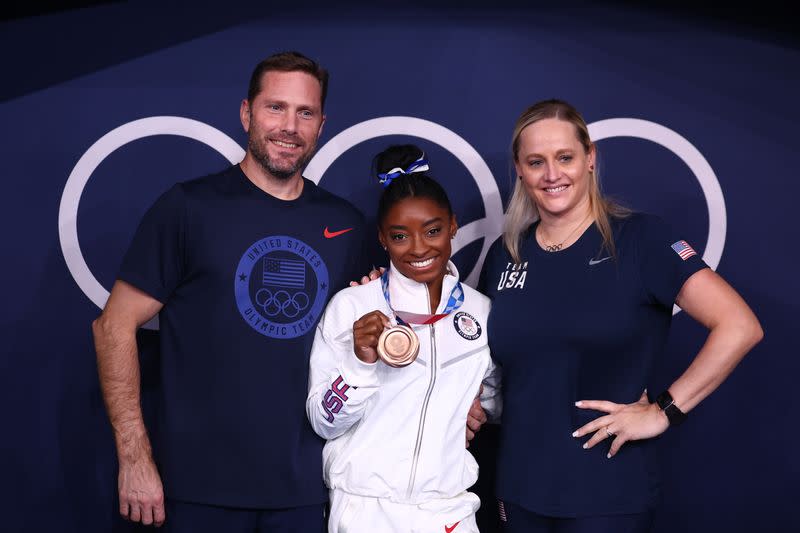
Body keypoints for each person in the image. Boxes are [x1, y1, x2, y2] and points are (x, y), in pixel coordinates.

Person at [92, 51, 370, 531]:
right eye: (275, 108)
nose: (289, 126)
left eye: (305, 113)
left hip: (307, 488)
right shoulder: (189, 207)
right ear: (246, 113)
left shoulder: (344, 224)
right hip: (197, 489)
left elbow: (376, 344)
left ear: (322, 124)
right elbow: (113, 326)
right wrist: (134, 458)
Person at [479, 99, 763, 532]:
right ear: (519, 168)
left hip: (607, 491)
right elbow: (473, 353)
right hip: (519, 487)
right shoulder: (506, 253)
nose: (552, 174)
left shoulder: (640, 240)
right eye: (536, 161)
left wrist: (664, 411)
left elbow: (739, 325)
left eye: (565, 158)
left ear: (590, 158)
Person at [306, 144, 502, 533]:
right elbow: (323, 420)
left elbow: (498, 398)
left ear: (452, 226)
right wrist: (360, 362)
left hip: (449, 511)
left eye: (432, 230)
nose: (418, 248)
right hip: (365, 512)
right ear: (381, 238)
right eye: (400, 236)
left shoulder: (481, 313)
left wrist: (478, 407)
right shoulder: (351, 306)